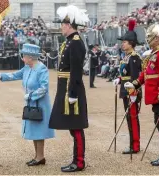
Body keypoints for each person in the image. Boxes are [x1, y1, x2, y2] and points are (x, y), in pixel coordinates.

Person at [0, 43, 55, 166]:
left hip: (40, 103)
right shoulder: (26, 68)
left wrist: (30, 95)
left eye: (24, 55)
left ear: (30, 57)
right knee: (34, 130)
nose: (22, 57)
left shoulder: (41, 68)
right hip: (31, 103)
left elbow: (44, 88)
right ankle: (37, 156)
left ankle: (40, 157)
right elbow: (13, 75)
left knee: (39, 130)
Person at [124, 11, 159, 166]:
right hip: (154, 97)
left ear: (158, 38)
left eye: (151, 37)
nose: (148, 40)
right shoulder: (154, 54)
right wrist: (135, 84)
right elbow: (146, 74)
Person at [49, 5, 89, 172]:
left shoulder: (76, 43)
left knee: (76, 125)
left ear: (69, 25)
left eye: (63, 24)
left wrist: (72, 93)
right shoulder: (70, 42)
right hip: (65, 88)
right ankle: (76, 159)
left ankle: (79, 161)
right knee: (73, 126)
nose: (61, 27)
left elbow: (76, 71)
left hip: (71, 90)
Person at [113, 19, 142, 154]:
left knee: (133, 118)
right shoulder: (126, 57)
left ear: (131, 44)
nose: (122, 44)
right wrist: (119, 79)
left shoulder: (134, 57)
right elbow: (125, 74)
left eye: (124, 42)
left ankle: (135, 145)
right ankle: (132, 144)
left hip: (132, 92)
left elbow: (136, 77)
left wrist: (134, 93)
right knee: (129, 118)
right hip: (125, 90)